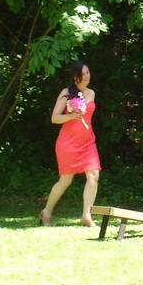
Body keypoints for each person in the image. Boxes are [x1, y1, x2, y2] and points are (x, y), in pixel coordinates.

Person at [39, 61, 101, 227]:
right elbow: (54, 118)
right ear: (75, 77)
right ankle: (46, 211)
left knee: (94, 175)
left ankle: (86, 215)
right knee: (65, 180)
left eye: (88, 72)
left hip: (88, 142)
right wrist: (70, 116)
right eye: (84, 73)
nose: (87, 76)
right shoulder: (66, 93)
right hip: (68, 143)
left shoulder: (91, 93)